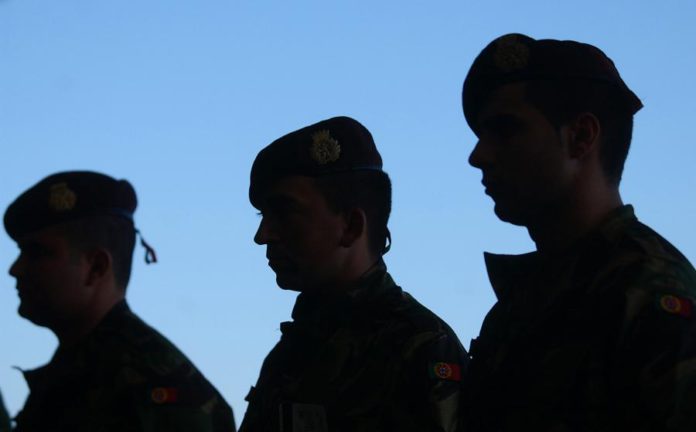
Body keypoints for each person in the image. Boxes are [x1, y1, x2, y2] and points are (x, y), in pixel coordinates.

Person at [461, 33, 696, 431]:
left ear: (581, 136)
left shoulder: (649, 293)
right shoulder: (516, 310)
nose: (478, 156)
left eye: (505, 130)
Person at [240, 116, 467, 432]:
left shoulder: (420, 347)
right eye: (263, 216)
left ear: (351, 226)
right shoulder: (291, 352)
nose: (263, 235)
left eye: (284, 213)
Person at [4, 171, 236, 431]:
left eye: (36, 253)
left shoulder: (153, 388)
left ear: (96, 267)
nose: (15, 269)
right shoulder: (80, 370)